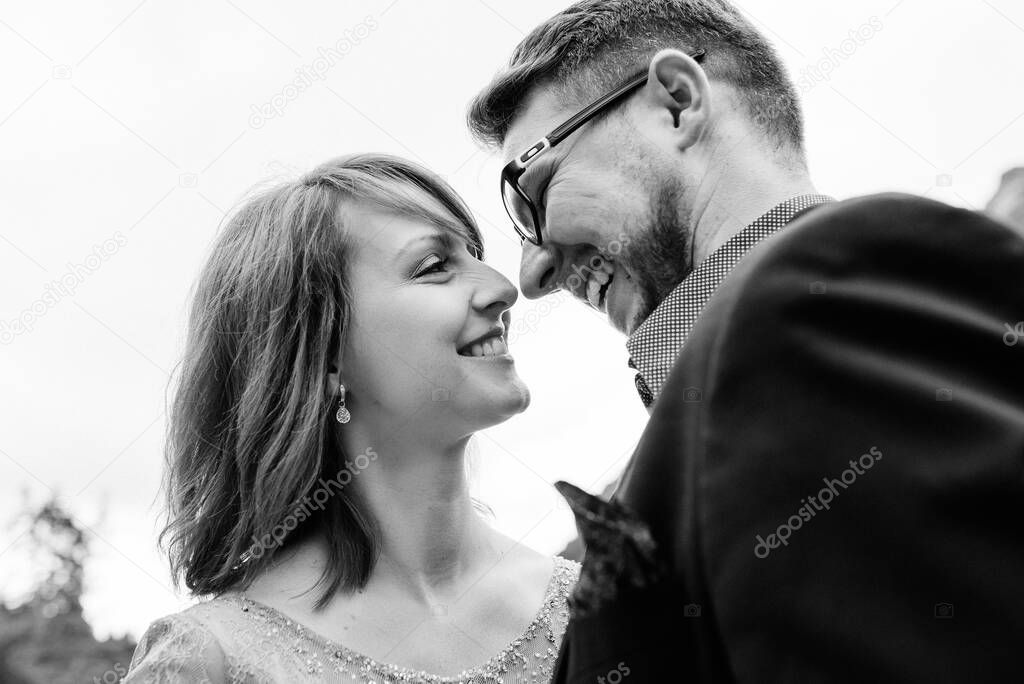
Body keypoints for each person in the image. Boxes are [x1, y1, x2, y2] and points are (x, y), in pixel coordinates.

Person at [469, 0, 1024, 681]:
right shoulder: (747, 365)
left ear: (675, 101)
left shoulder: (809, 297)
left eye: (534, 190)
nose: (533, 273)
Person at [125, 154, 579, 683]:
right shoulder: (211, 660)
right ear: (323, 355)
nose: (504, 287)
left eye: (476, 254)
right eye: (433, 267)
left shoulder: (600, 609)